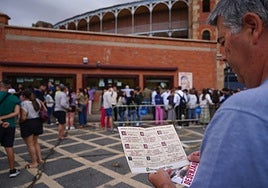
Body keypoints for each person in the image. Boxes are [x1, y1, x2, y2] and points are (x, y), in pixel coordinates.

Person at [149, 0, 268, 187]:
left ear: (252, 27)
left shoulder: (242, 111)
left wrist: (165, 185)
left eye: (223, 42)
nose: (222, 55)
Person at [0, 79, 20, 178]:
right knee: (9, 147)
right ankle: (12, 170)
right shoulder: (14, 98)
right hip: (10, 125)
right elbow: (16, 113)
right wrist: (4, 118)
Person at [19, 89, 44, 169]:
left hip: (28, 123)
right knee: (35, 142)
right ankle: (40, 159)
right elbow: (44, 109)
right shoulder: (37, 100)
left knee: (30, 144)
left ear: (23, 96)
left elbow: (23, 116)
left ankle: (34, 162)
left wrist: (19, 121)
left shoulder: (24, 103)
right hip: (37, 121)